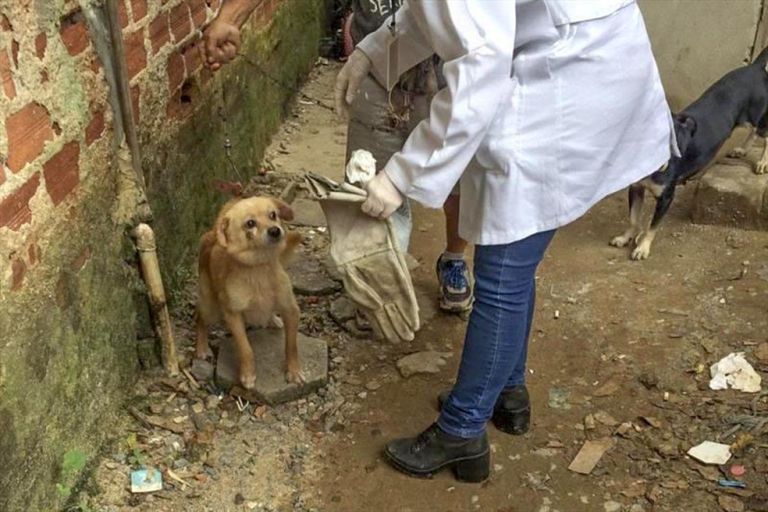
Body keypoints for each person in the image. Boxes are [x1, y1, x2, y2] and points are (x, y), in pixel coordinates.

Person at [335, 0, 675, 482]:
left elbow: (478, 64)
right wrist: (373, 50)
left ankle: (463, 430)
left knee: (501, 274)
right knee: (513, 260)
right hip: (574, 51)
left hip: (569, 74)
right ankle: (507, 392)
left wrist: (399, 177)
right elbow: (447, 13)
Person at [202, 0, 474, 314]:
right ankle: (380, 280)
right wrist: (230, 19)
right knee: (370, 190)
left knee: (459, 186)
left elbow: (487, 56)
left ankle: (454, 258)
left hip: (455, 79)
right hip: (379, 68)